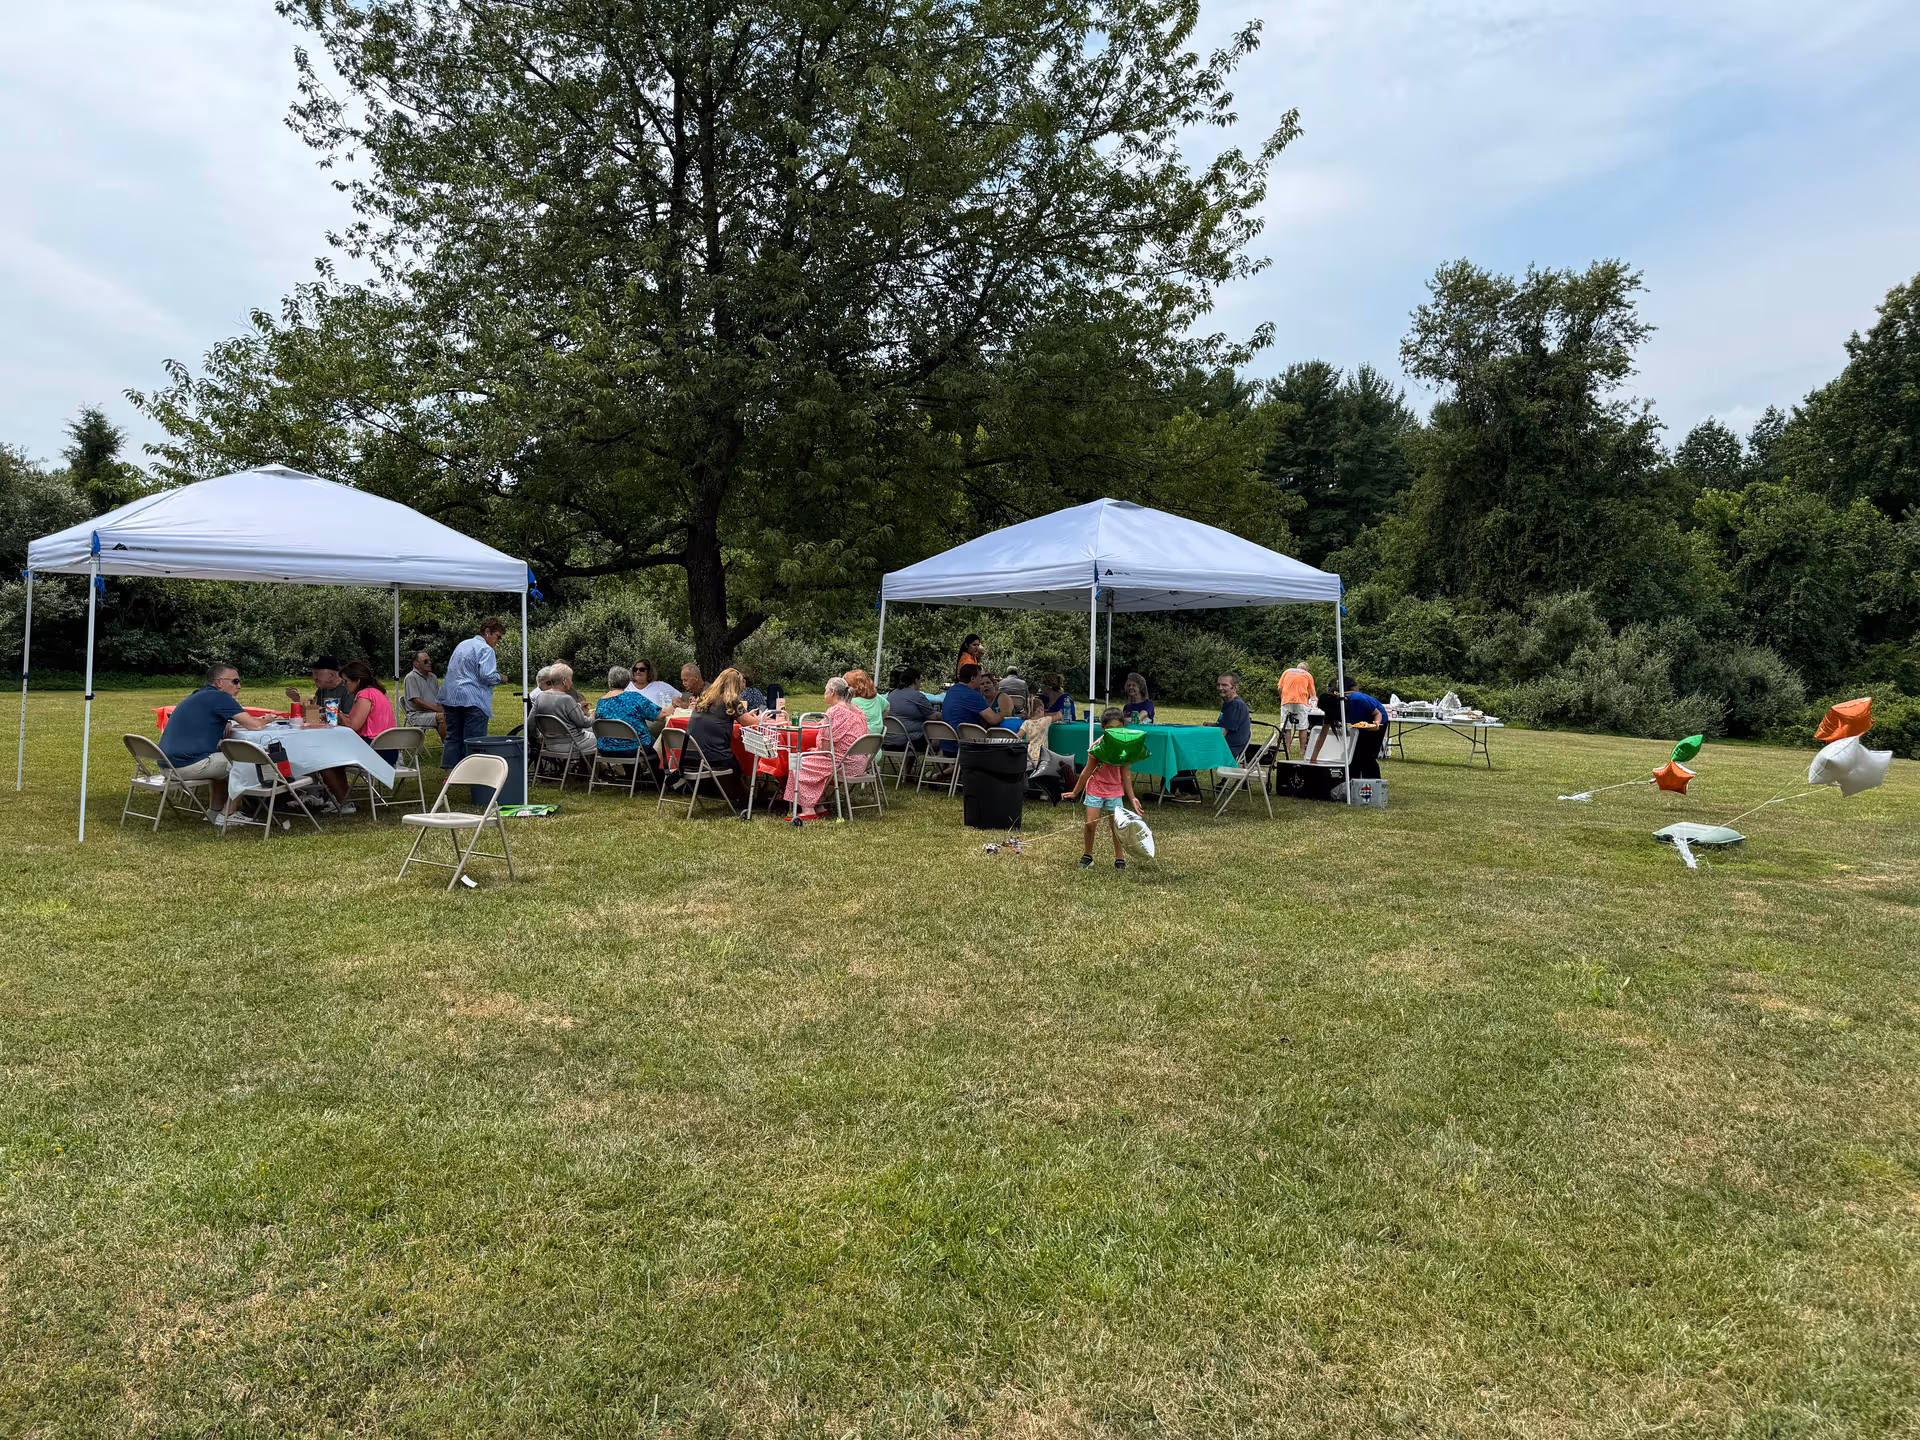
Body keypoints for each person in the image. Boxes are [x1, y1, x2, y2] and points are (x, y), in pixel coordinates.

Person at [159, 664, 277, 826]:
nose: (239, 686)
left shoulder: (197, 695)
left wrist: (225, 721)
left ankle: (215, 812)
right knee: (248, 760)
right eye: (235, 681)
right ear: (219, 682)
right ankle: (229, 813)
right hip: (188, 764)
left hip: (168, 765)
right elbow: (254, 725)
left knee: (223, 761)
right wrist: (268, 719)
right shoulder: (221, 697)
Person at [784, 675, 870, 821]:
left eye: (825, 691)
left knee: (798, 762)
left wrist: (817, 751)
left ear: (833, 693)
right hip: (859, 763)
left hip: (843, 764)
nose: (824, 694)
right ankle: (819, 805)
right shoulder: (856, 709)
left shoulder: (834, 712)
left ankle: (808, 810)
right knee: (811, 760)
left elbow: (826, 747)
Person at [1067, 707, 1142, 869]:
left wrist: (1133, 797)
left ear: (1123, 728)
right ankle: (1088, 856)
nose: (1115, 732)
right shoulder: (1097, 747)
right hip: (1096, 787)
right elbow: (1086, 773)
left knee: (1117, 826)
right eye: (1110, 729)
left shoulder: (1125, 747)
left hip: (1115, 790)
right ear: (1103, 728)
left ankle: (1119, 858)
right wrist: (1075, 792)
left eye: (1118, 728)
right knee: (1090, 824)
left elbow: (1126, 774)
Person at [440, 618, 507, 771]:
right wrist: (501, 678)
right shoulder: (486, 649)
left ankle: (450, 771)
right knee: (474, 739)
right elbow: (487, 676)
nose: (498, 641)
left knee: (453, 736)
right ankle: (472, 772)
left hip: (450, 696)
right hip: (473, 699)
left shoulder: (462, 644)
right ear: (488, 632)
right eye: (498, 636)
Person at [683, 667, 753, 812]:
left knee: (730, 764)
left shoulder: (703, 698)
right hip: (712, 759)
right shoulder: (731, 701)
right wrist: (756, 717)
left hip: (689, 758)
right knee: (735, 766)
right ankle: (748, 799)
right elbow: (751, 723)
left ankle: (734, 796)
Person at [530, 662, 598, 768]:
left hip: (549, 745)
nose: (571, 683)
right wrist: (593, 714)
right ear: (564, 680)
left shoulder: (540, 697)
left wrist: (538, 737)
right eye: (570, 679)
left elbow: (530, 723)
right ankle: (593, 775)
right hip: (573, 744)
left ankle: (584, 771)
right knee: (601, 737)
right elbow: (584, 723)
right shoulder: (567, 699)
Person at [937, 665, 1015, 753]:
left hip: (946, 746)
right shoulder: (972, 695)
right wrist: (1004, 713)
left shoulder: (951, 691)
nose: (981, 680)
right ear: (973, 679)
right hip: (966, 747)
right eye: (980, 677)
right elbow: (993, 720)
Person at [594, 665, 660, 757]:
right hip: (634, 748)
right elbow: (658, 715)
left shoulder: (601, 702)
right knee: (659, 745)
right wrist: (672, 707)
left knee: (628, 743)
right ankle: (659, 771)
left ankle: (634, 771)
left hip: (606, 748)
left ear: (610, 681)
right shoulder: (634, 697)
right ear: (627, 681)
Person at [1018, 694, 1074, 802]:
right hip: (1042, 755)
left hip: (1029, 754)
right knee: (1049, 773)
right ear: (1039, 710)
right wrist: (1060, 712)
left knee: (1025, 771)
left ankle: (1024, 790)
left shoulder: (1026, 723)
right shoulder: (1045, 721)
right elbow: (1058, 716)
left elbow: (1018, 736)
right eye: (1043, 709)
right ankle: (1044, 793)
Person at [1327, 688, 1388, 779]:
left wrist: (1376, 724)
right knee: (1353, 754)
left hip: (1377, 722)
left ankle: (1372, 783)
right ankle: (1354, 782)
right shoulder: (1331, 709)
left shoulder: (1358, 700)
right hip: (1358, 726)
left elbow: (1377, 714)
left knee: (1368, 755)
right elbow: (1327, 731)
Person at [284, 656, 352, 720]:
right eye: (313, 674)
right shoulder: (321, 690)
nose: (314, 678)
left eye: (316, 673)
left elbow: (349, 719)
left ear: (332, 675)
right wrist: (297, 700)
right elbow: (309, 716)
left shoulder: (349, 690)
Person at [883, 666, 934, 750]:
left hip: (888, 741)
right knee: (939, 739)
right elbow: (933, 716)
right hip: (907, 742)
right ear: (916, 680)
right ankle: (943, 761)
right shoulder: (917, 696)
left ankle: (908, 763)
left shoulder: (891, 694)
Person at [401, 650, 445, 740]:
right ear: (416, 664)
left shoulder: (433, 677)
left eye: (429, 660)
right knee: (443, 717)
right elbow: (417, 701)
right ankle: (449, 748)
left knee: (454, 715)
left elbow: (438, 697)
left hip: (432, 713)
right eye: (425, 661)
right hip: (416, 715)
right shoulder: (411, 677)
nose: (429, 663)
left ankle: (457, 746)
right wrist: (437, 709)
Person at [1278, 661, 1317, 753]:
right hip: (1301, 701)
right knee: (1302, 726)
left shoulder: (1287, 671)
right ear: (1307, 669)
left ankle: (1287, 749)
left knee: (1287, 726)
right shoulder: (1307, 675)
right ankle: (1302, 750)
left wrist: (1283, 696)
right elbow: (1313, 695)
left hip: (1286, 700)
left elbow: (1280, 688)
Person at [1212, 672, 1252, 760]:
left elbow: (1222, 733)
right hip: (1225, 746)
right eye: (1218, 685)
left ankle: (1185, 774)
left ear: (1234, 688)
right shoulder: (1229, 703)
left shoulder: (1235, 705)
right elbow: (1225, 725)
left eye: (1224, 685)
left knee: (1189, 749)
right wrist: (1212, 725)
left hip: (1227, 750)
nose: (1220, 688)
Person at [844, 669, 887, 733]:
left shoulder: (850, 702)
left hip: (857, 738)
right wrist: (880, 719)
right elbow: (887, 707)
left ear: (855, 686)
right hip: (876, 739)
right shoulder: (877, 698)